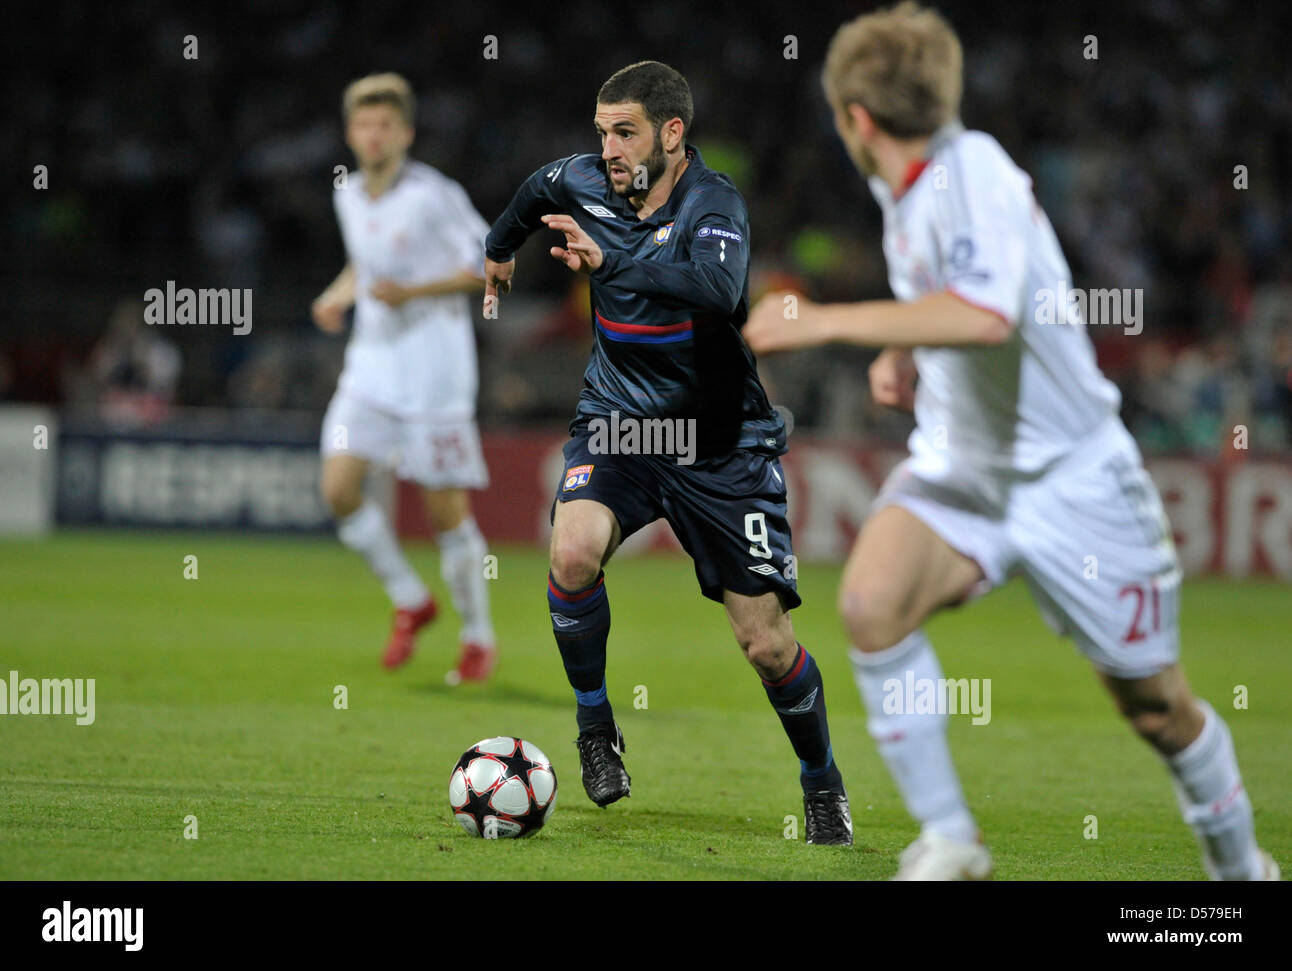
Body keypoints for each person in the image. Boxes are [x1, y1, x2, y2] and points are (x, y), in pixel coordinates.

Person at [744, 2, 1278, 880]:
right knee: (872, 604)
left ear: (858, 118)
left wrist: (824, 318)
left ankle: (1240, 875)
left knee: (1155, 706)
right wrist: (904, 342)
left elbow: (988, 316)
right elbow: (953, 285)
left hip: (1073, 477)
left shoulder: (976, 174)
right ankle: (952, 839)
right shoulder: (906, 183)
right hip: (963, 464)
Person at [482, 61, 851, 842]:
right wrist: (497, 250)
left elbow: (717, 290)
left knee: (765, 642)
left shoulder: (713, 204)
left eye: (625, 132)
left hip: (719, 445)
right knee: (572, 553)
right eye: (602, 131)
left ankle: (821, 782)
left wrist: (611, 262)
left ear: (672, 134)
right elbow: (531, 195)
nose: (608, 148)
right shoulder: (582, 181)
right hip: (620, 423)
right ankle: (595, 729)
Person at [312, 73, 497, 682]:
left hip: (433, 375)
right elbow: (362, 267)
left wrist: (413, 291)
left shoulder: (433, 195)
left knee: (444, 510)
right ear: (350, 133)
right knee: (338, 488)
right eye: (364, 124)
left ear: (406, 133)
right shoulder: (348, 195)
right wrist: (337, 295)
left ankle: (476, 636)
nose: (374, 134)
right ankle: (410, 599)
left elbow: (494, 267)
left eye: (385, 124)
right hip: (369, 370)